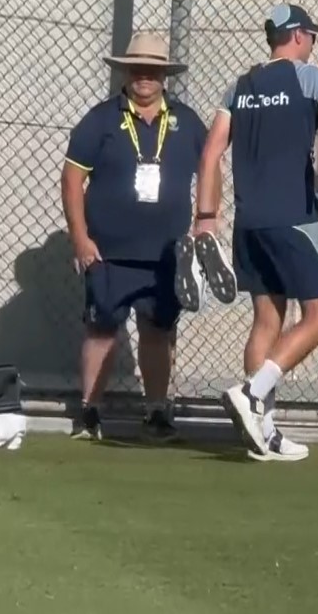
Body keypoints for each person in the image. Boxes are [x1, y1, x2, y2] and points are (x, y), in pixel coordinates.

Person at [188, 3, 318, 462]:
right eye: (311, 36)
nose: (313, 44)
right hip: (295, 219)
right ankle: (253, 395)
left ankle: (264, 432)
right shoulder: (312, 79)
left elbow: (211, 153)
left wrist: (206, 218)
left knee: (267, 321)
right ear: (297, 36)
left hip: (250, 222)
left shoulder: (241, 86)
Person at [61, 32, 207, 442]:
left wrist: (205, 225)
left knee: (158, 330)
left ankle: (157, 411)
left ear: (164, 76)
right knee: (102, 328)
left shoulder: (187, 121)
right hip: (108, 252)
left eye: (153, 70)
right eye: (137, 69)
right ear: (125, 71)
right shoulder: (101, 119)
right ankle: (89, 412)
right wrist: (80, 239)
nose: (144, 77)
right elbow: (72, 180)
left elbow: (211, 170)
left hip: (165, 253)